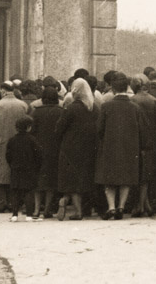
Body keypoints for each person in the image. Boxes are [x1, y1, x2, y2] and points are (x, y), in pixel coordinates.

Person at [95, 72, 148, 220]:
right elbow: (142, 129)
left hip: (109, 146)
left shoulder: (106, 106)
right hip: (130, 147)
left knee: (108, 179)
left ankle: (111, 207)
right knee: (126, 178)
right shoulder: (135, 107)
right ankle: (121, 206)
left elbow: (99, 129)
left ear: (112, 88)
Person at [55, 78, 98, 221]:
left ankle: (76, 210)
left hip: (71, 146)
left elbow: (60, 128)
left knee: (72, 180)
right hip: (90, 146)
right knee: (86, 177)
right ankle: (86, 209)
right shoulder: (94, 107)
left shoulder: (71, 107)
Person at [0, 81, 30, 213]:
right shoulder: (23, 105)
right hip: (19, 142)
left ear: (2, 91)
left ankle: (0, 202)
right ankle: (13, 202)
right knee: (14, 173)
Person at [130, 76, 156, 217]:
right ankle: (145, 203)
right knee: (148, 173)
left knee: (138, 173)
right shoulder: (155, 101)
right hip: (151, 140)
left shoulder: (132, 101)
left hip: (135, 140)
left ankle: (140, 205)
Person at [30, 87, 63, 218]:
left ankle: (36, 209)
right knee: (51, 181)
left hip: (38, 148)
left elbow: (32, 131)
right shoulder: (60, 111)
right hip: (55, 149)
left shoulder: (36, 112)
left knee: (38, 180)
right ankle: (47, 209)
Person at [5, 116, 42, 222]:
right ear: (29, 127)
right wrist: (37, 167)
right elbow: (38, 155)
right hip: (29, 169)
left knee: (15, 191)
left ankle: (14, 214)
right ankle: (29, 215)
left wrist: (12, 164)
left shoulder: (12, 140)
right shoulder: (32, 140)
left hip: (16, 168)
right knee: (28, 191)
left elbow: (8, 155)